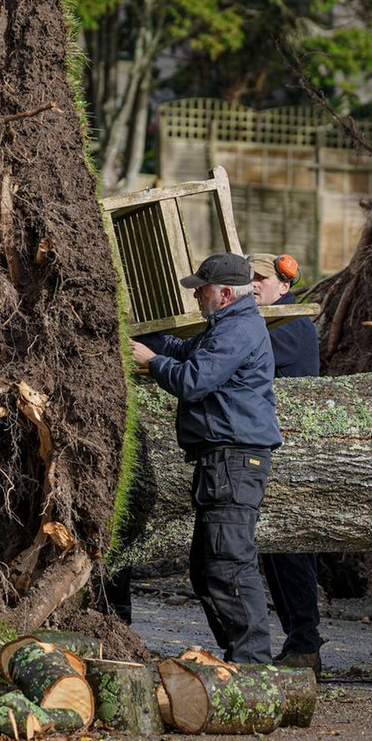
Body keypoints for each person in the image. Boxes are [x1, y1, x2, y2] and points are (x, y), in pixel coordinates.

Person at [129, 252, 281, 664]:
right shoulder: (229, 324)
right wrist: (148, 339)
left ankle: (252, 665)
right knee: (206, 565)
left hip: (234, 460)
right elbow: (185, 350)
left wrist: (151, 361)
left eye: (203, 290)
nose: (197, 297)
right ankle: (242, 658)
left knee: (227, 563)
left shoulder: (238, 330)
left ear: (226, 293)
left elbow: (192, 380)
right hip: (225, 460)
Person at [249, 252, 323, 674]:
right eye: (249, 279)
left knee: (291, 549)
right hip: (274, 450)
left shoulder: (287, 322)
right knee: (277, 551)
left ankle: (305, 642)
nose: (254, 284)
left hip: (292, 455)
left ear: (284, 285)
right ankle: (301, 643)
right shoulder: (264, 321)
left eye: (261, 278)